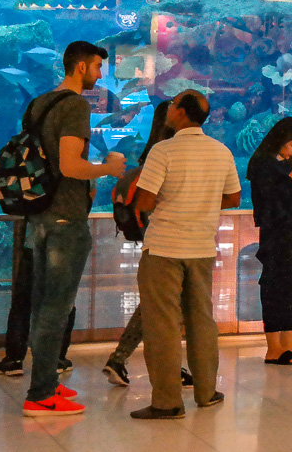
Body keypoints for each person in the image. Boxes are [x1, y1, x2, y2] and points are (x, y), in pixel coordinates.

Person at [21, 41, 127, 417]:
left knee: (42, 304)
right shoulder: (75, 105)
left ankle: (46, 383)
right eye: (98, 67)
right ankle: (39, 395)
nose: (100, 75)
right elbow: (69, 165)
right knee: (56, 307)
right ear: (81, 66)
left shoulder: (39, 103)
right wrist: (107, 168)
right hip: (65, 217)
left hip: (40, 214)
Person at [130, 90, 241, 419]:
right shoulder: (221, 152)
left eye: (173, 104)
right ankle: (206, 392)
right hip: (202, 248)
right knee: (202, 320)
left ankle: (167, 402)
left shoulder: (163, 150)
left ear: (180, 113)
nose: (169, 109)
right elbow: (233, 198)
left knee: (162, 325)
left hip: (164, 247)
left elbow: (146, 202)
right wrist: (201, 202)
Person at [105, 100, 197, 387]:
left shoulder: (152, 152)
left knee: (159, 302)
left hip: (152, 237)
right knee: (164, 304)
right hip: (172, 238)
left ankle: (163, 363)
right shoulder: (173, 152)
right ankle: (124, 359)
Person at [247, 118, 292, 364]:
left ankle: (289, 340)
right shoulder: (263, 164)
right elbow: (272, 201)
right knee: (276, 286)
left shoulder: (282, 163)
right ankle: (273, 347)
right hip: (276, 234)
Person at [0, 221, 76, 377]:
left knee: (22, 305)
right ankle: (57, 359)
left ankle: (14, 360)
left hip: (34, 245)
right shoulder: (74, 197)